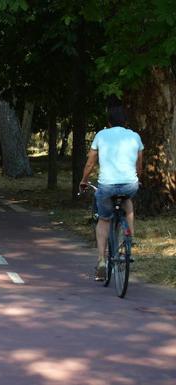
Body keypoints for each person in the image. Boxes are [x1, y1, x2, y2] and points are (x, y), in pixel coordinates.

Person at [80, 106, 144, 281]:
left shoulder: (101, 135)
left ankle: (101, 260)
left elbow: (90, 163)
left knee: (103, 219)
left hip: (107, 186)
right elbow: (139, 165)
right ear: (126, 122)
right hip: (129, 184)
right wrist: (136, 179)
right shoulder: (135, 136)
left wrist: (84, 180)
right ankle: (130, 236)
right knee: (128, 202)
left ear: (108, 122)